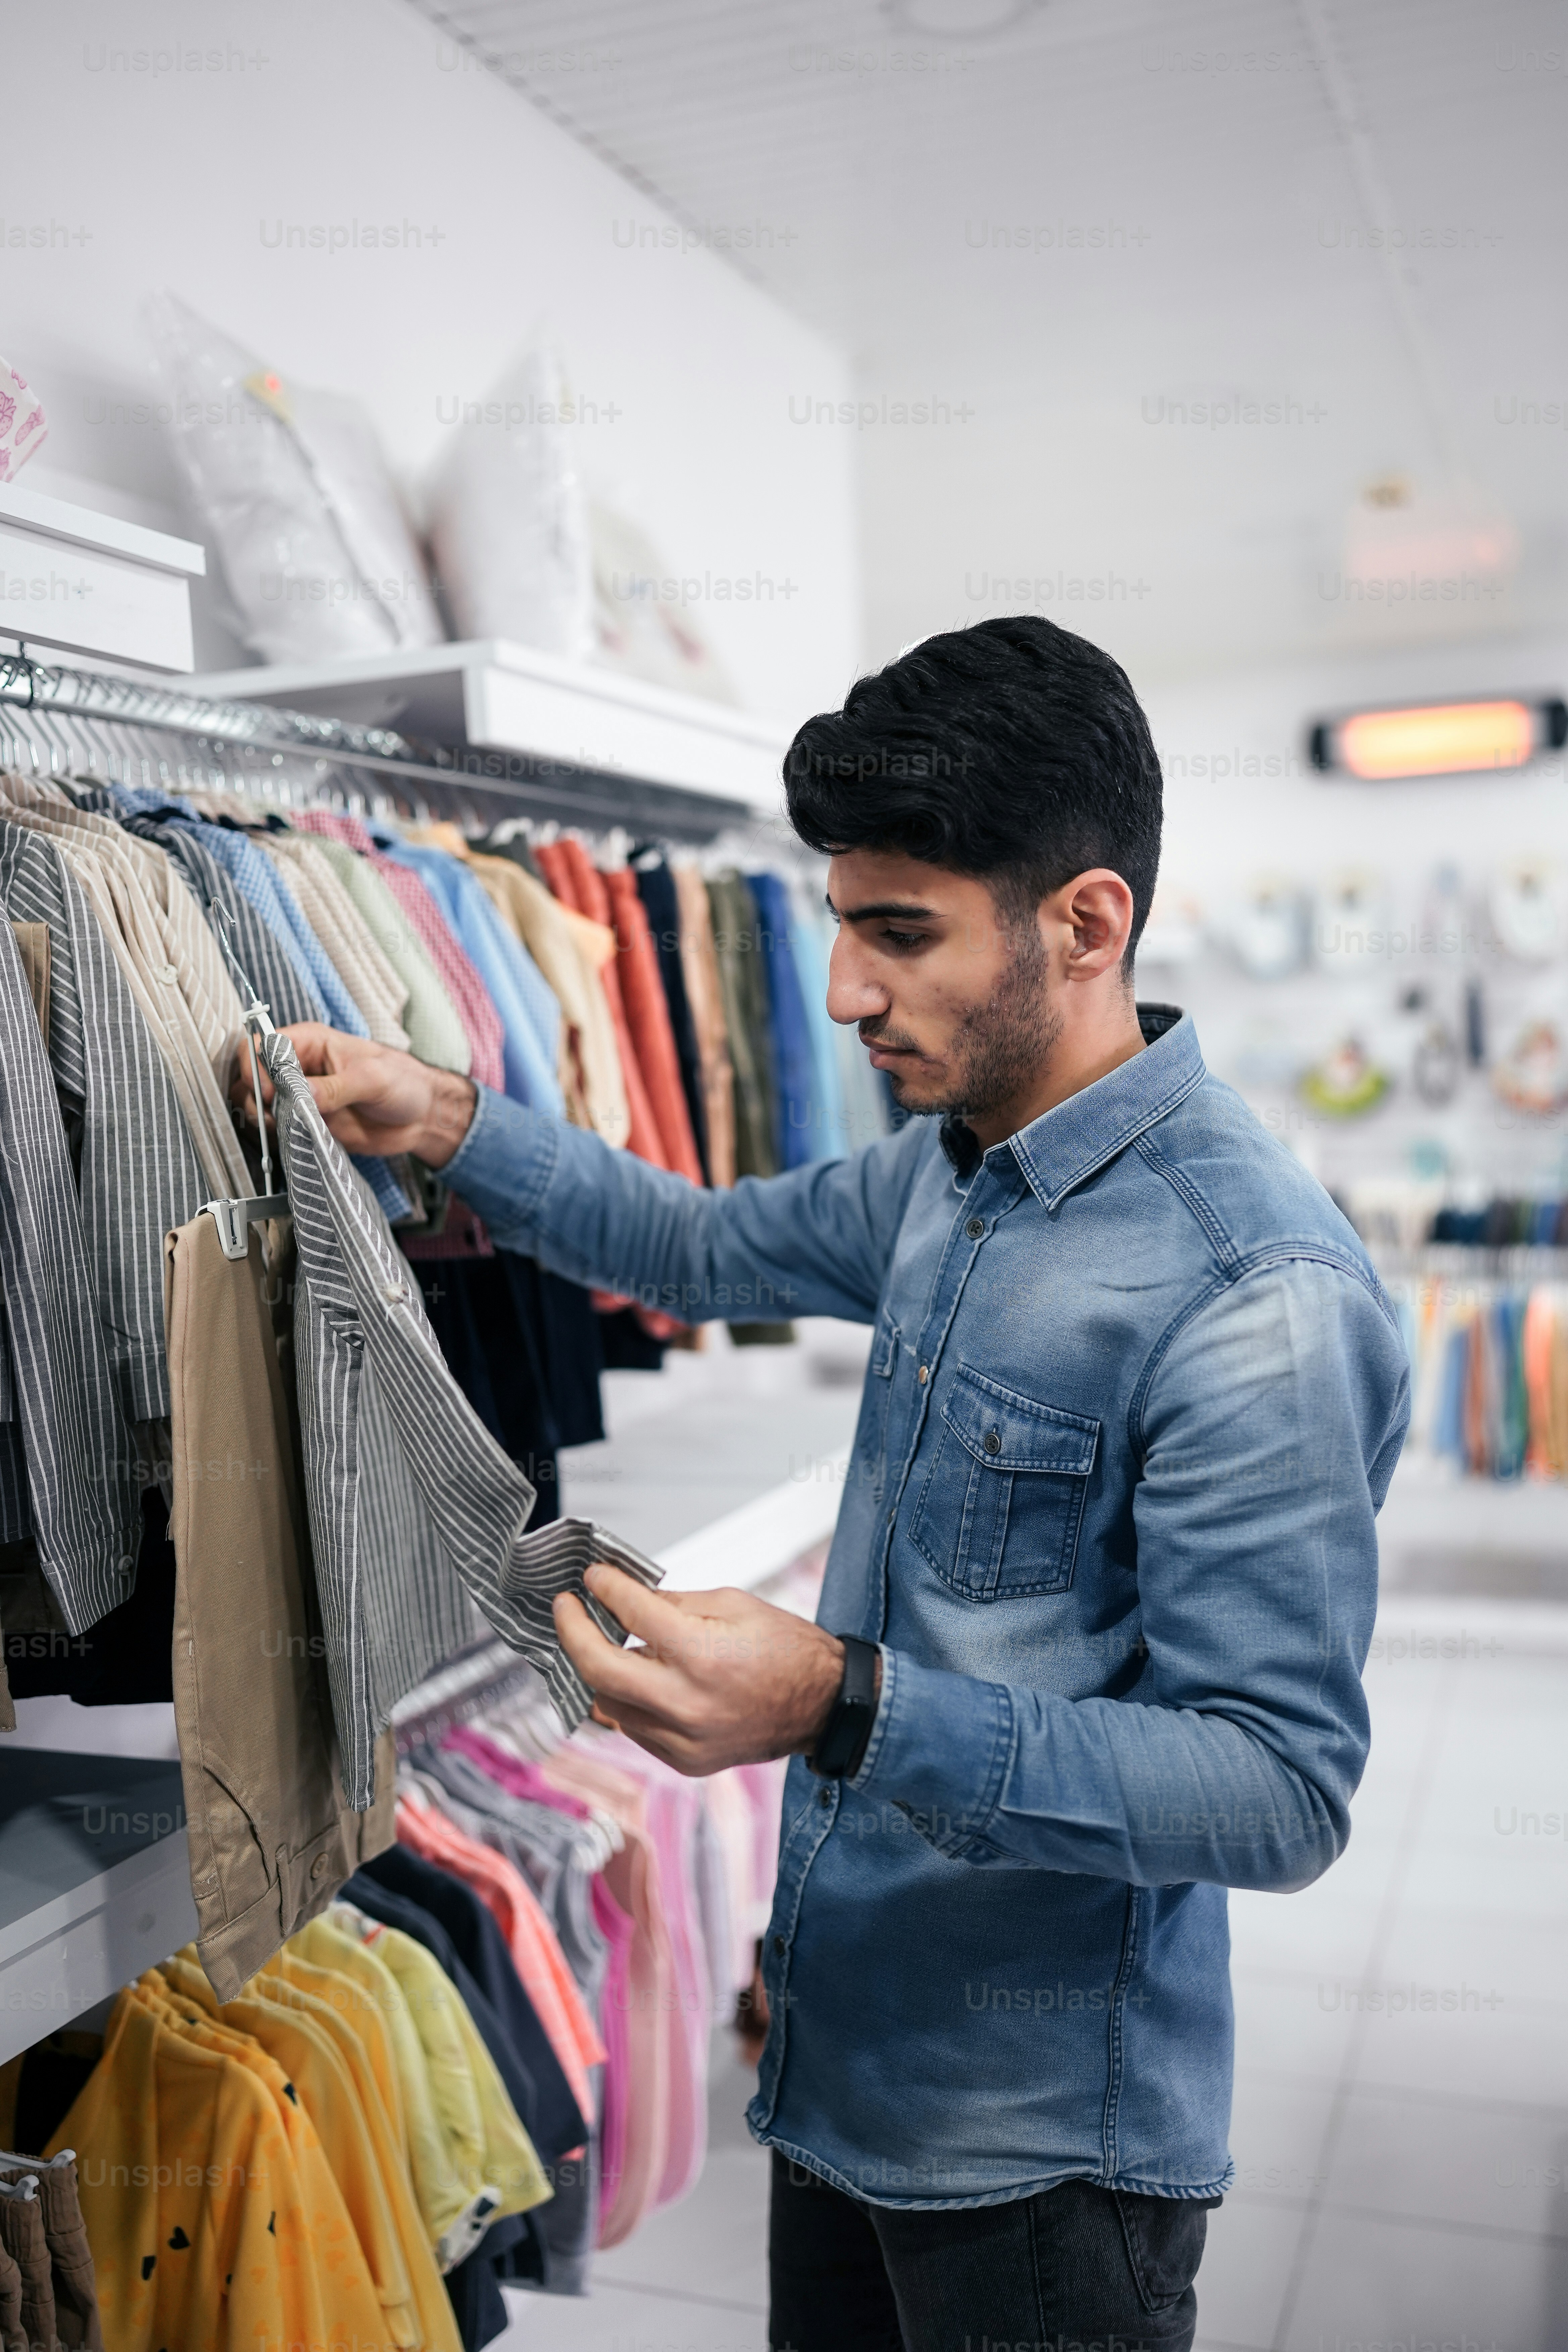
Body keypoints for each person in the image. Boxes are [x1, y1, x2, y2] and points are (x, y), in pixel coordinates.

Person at [239, 617, 1410, 2352]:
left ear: (1087, 924)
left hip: (1044, 2160)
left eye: (900, 935)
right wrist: (448, 1117)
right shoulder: (951, 1171)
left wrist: (843, 1705)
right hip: (840, 2067)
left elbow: (1277, 1790)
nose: (850, 991)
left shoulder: (1259, 1293)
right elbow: (698, 1246)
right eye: (844, 929)